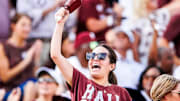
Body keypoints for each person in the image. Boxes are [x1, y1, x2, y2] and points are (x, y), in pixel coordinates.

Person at [51, 7, 132, 101]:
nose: (95, 59)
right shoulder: (80, 82)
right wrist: (59, 23)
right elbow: (55, 55)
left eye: (101, 57)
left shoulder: (121, 93)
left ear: (112, 66)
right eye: (91, 56)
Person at [0, 13, 42, 101]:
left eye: (29, 26)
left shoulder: (31, 46)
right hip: (11, 90)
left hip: (32, 87)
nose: (27, 29)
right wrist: (26, 61)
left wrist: (37, 57)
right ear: (13, 26)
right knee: (30, 86)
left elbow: (35, 74)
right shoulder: (3, 47)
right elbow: (4, 77)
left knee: (49, 86)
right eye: (23, 25)